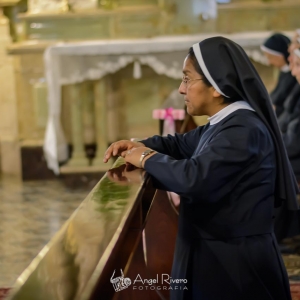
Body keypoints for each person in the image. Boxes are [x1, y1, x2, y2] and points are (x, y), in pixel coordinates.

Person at [104, 36, 299, 300]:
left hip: (235, 268)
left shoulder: (242, 129)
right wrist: (136, 144)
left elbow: (194, 178)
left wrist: (146, 157)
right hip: (215, 254)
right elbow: (180, 144)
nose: (181, 89)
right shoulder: (224, 123)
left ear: (216, 86)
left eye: (187, 79)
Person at [261, 33, 298, 117]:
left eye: (270, 57)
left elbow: (290, 108)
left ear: (280, 55)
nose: (269, 62)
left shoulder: (294, 76)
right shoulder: (284, 72)